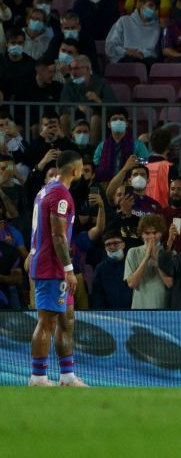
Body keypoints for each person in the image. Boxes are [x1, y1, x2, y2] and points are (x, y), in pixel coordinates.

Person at [27, 150, 85, 386]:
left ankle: (67, 376)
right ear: (74, 170)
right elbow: (58, 236)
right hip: (51, 268)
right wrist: (69, 269)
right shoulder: (60, 194)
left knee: (66, 319)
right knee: (47, 321)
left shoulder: (46, 190)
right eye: (81, 167)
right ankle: (38, 377)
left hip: (53, 267)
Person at [124, 213, 171, 309]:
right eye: (147, 233)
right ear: (141, 234)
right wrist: (146, 258)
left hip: (163, 309)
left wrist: (156, 260)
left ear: (161, 233)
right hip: (139, 309)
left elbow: (169, 283)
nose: (152, 237)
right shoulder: (133, 252)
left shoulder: (170, 254)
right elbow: (132, 283)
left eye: (155, 232)